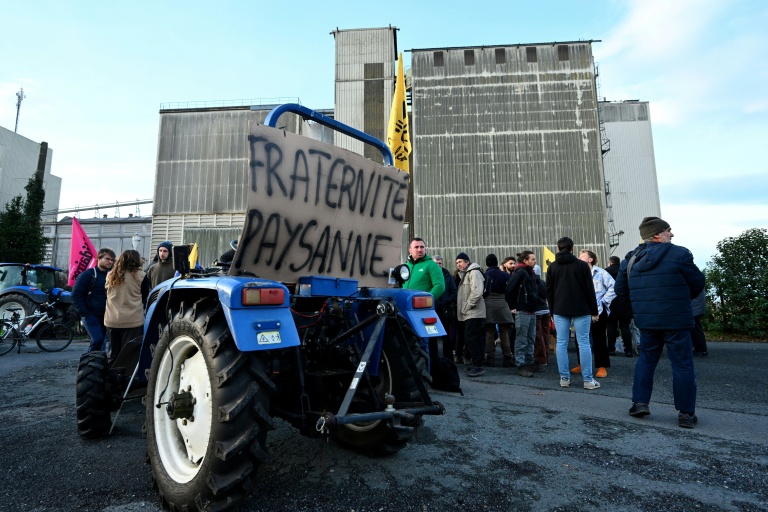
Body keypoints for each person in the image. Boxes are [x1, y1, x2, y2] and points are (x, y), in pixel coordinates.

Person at [615, 216, 705, 428]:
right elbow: (697, 283)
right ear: (657, 234)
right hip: (677, 319)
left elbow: (621, 290)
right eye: (668, 230)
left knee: (646, 359)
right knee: (682, 364)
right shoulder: (680, 254)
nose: (671, 234)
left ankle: (639, 403)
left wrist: (642, 306)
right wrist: (680, 300)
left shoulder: (630, 259)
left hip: (647, 320)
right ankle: (686, 413)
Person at [546, 237, 601, 390]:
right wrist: (594, 311)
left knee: (561, 343)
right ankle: (588, 380)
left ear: (558, 249)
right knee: (584, 342)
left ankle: (564, 378)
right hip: (581, 308)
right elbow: (589, 289)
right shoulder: (582, 266)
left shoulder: (553, 267)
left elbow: (549, 291)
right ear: (572, 248)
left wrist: (552, 311)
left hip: (560, 308)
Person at [403, 238, 446, 363]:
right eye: (416, 247)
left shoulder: (431, 265)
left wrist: (425, 302)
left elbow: (440, 286)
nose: (419, 250)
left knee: (422, 345)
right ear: (410, 250)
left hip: (422, 312)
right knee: (407, 344)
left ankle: (425, 373)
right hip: (406, 312)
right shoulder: (406, 266)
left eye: (422, 247)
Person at [104, 250, 149, 365]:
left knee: (113, 353)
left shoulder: (110, 275)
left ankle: (111, 373)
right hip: (133, 321)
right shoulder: (141, 276)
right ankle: (126, 375)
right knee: (130, 355)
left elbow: (106, 294)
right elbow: (145, 295)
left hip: (112, 320)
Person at [577, 250, 616, 378]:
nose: (579, 258)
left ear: (590, 259)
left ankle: (601, 366)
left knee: (599, 338)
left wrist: (604, 301)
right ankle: (582, 364)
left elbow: (614, 287)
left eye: (582, 256)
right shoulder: (577, 273)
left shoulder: (601, 272)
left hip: (599, 310)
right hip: (582, 310)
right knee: (580, 339)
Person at [71, 248, 116, 352]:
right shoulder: (88, 275)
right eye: (107, 259)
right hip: (91, 315)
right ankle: (89, 360)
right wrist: (85, 313)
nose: (110, 262)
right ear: (98, 259)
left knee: (103, 342)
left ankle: (97, 361)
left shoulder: (111, 276)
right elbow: (76, 295)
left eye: (112, 260)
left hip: (106, 315)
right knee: (97, 340)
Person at [504, 251, 541, 377]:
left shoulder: (528, 272)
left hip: (530, 309)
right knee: (522, 339)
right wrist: (513, 306)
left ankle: (529, 362)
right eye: (532, 259)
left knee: (530, 338)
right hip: (523, 309)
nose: (535, 261)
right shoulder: (521, 272)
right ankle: (521, 364)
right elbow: (509, 289)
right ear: (525, 261)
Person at [455, 252, 486, 377]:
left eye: (460, 262)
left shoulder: (474, 272)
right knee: (474, 337)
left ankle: (478, 365)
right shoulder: (466, 273)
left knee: (471, 337)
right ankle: (477, 363)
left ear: (467, 262)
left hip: (474, 312)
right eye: (457, 263)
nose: (458, 264)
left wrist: (467, 306)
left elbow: (477, 292)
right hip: (471, 312)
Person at [483, 254, 515, 367]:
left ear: (487, 263)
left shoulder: (485, 275)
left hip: (488, 304)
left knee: (489, 333)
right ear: (497, 262)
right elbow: (510, 290)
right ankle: (507, 358)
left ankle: (490, 358)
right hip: (503, 303)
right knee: (504, 333)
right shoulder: (505, 275)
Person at [605, 255, 634, 356]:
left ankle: (611, 349)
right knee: (625, 327)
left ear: (610, 263)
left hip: (611, 302)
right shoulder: (626, 271)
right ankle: (628, 350)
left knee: (611, 326)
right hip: (625, 302)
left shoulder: (606, 271)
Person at [432, 255, 458, 360]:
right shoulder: (429, 275)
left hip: (445, 309)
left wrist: (446, 301)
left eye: (440, 263)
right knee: (432, 336)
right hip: (432, 309)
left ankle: (448, 360)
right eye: (436, 263)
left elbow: (454, 292)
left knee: (446, 336)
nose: (438, 265)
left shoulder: (448, 276)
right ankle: (434, 360)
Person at [532, 265, 551, 367]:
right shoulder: (543, 283)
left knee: (538, 336)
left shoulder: (532, 283)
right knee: (546, 335)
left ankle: (541, 359)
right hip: (546, 310)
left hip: (536, 312)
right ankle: (546, 357)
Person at [691, 289, 708, 356]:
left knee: (696, 328)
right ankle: (698, 348)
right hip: (696, 306)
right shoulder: (697, 283)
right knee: (694, 328)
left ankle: (702, 349)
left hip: (695, 307)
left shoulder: (695, 283)